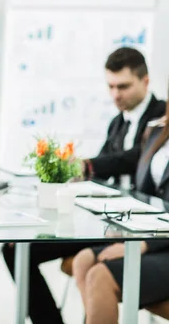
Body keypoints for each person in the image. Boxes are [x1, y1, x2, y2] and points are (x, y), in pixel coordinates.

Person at [2, 47, 166, 324]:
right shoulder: (118, 122)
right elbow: (104, 163)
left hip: (137, 224)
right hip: (110, 217)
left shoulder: (161, 118)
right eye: (111, 86)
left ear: (145, 81)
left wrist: (88, 166)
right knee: (15, 247)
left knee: (86, 264)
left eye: (123, 86)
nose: (116, 94)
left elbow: (132, 159)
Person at [72, 86, 169, 324]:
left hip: (161, 243)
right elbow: (145, 192)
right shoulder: (158, 132)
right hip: (156, 235)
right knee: (83, 260)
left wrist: (144, 244)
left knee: (101, 276)